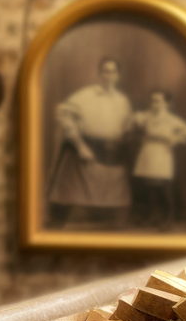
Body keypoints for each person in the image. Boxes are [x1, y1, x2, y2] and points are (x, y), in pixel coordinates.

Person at [48, 58, 134, 225]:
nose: (109, 75)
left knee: (115, 192)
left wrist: (127, 131)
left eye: (113, 71)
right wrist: (80, 145)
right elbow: (63, 115)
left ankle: (113, 228)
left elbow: (127, 123)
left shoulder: (123, 100)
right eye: (105, 71)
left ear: (118, 75)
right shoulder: (85, 95)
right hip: (86, 146)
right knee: (71, 190)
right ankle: (57, 225)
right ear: (100, 74)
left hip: (112, 151)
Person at [130, 90, 186, 228]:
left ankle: (168, 218)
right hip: (147, 151)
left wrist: (175, 139)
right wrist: (136, 123)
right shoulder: (146, 116)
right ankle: (151, 216)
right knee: (147, 187)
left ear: (166, 103)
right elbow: (134, 123)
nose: (154, 104)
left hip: (162, 152)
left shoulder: (171, 119)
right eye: (152, 101)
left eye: (158, 101)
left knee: (164, 186)